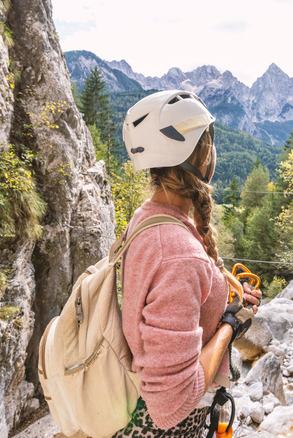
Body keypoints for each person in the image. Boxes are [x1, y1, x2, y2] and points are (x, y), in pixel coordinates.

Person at [113, 90, 262, 437]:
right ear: (199, 153)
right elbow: (171, 407)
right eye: (209, 142)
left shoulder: (149, 217)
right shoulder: (178, 253)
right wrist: (229, 326)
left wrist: (224, 302)